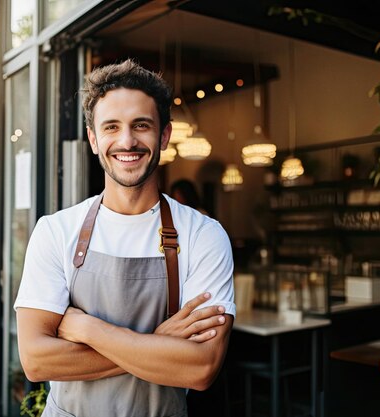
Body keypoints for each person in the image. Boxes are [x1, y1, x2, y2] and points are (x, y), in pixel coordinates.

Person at [15, 59, 235, 417]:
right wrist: (160, 345)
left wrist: (88, 328)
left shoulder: (204, 236)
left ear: (164, 135)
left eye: (141, 125)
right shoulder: (55, 231)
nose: (127, 140)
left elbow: (200, 368)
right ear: (93, 139)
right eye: (111, 127)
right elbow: (37, 360)